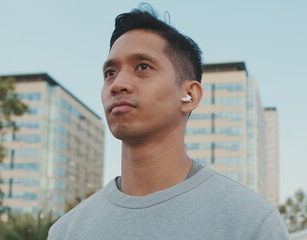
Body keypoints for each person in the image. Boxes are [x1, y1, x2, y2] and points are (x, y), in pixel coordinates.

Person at [48, 6, 289, 240]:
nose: (118, 84)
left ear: (190, 96)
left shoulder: (251, 223)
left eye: (143, 67)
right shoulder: (67, 231)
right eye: (110, 72)